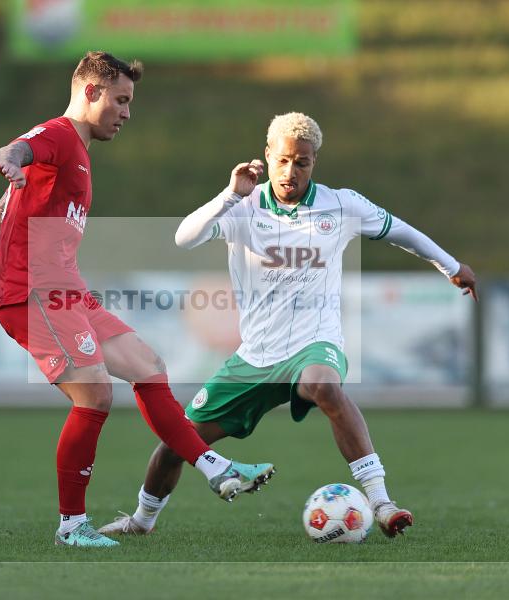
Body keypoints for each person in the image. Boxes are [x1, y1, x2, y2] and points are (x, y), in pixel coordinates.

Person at [99, 112, 478, 539]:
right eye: (282, 160)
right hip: (255, 357)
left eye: (302, 162)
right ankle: (141, 521)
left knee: (324, 385)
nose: (290, 171)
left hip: (315, 343)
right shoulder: (243, 206)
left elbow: (400, 231)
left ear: (314, 161)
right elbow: (184, 237)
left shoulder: (342, 204)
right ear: (267, 155)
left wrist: (450, 266)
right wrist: (228, 193)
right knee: (177, 443)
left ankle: (382, 502)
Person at [0, 51, 273, 548]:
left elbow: (0, 210)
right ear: (90, 92)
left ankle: (217, 469)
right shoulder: (58, 135)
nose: (127, 112)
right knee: (94, 393)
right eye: (120, 99)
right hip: (34, 293)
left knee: (147, 363)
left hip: (65, 292)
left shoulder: (77, 154)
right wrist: (9, 160)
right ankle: (72, 525)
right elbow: (17, 151)